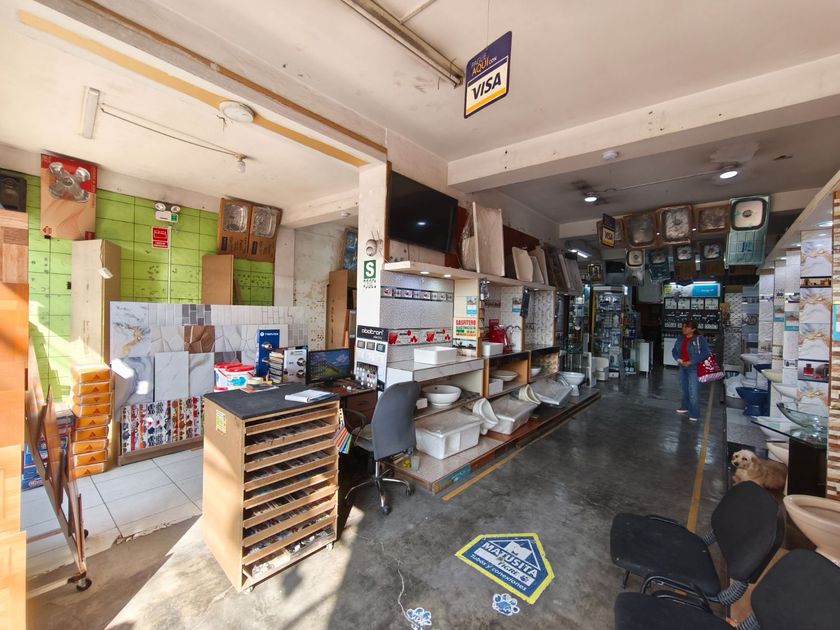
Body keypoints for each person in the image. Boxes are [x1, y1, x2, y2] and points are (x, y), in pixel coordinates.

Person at [671, 319, 710, 422]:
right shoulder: (680, 338)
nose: (683, 329)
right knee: (683, 388)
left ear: (693, 329)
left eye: (686, 327)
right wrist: (679, 360)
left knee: (693, 390)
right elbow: (674, 351)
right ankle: (685, 406)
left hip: (694, 368)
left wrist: (691, 362)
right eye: (683, 326)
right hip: (682, 366)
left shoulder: (699, 339)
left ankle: (694, 413)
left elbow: (706, 353)